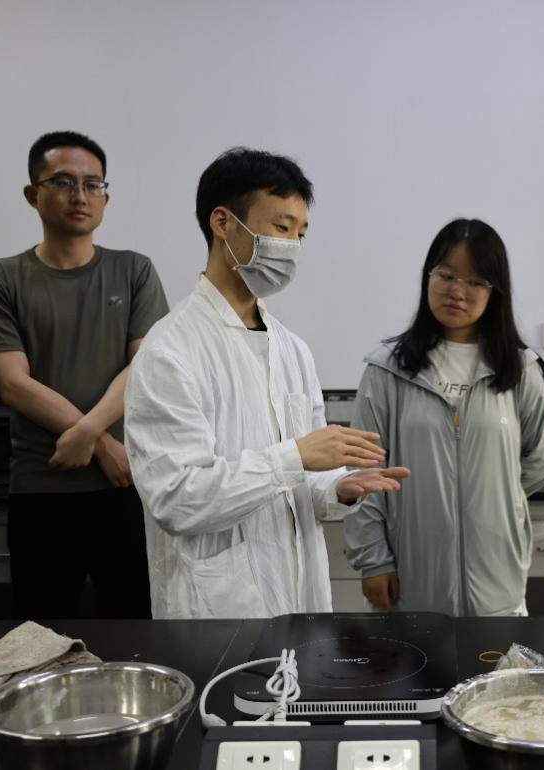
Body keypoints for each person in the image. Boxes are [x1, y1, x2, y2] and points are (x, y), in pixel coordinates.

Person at [124, 147, 410, 619]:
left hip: (299, 602)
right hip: (215, 613)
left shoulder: (291, 348)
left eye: (301, 233)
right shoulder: (170, 351)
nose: (293, 245)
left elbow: (304, 483)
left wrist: (339, 487)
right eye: (281, 227)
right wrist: (294, 457)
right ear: (223, 222)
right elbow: (177, 500)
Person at [0, 131, 168, 619]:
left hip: (125, 486)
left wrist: (87, 432)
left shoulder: (135, 271)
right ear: (32, 194)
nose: (80, 196)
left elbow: (144, 367)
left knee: (137, 631)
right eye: (63, 182)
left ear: (105, 197)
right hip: (42, 489)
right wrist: (99, 442)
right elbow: (13, 384)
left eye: (92, 184)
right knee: (42, 639)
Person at [344, 218, 544, 616]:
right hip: (410, 581)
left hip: (497, 580)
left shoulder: (519, 370)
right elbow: (364, 470)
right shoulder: (388, 369)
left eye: (476, 281)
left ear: (495, 291)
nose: (457, 291)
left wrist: (492, 496)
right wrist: (372, 558)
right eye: (446, 275)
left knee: (497, 658)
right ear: (428, 277)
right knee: (413, 658)